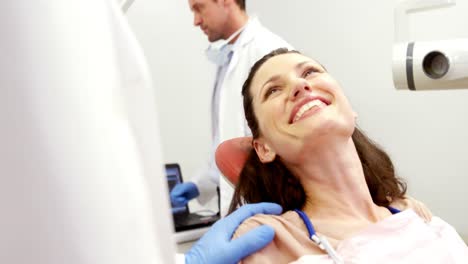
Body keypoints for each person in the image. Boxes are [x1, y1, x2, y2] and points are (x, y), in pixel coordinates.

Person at [227, 48, 468, 263]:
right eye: (273, 90)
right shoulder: (270, 240)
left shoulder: (424, 223)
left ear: (350, 111)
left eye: (310, 72)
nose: (300, 86)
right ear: (263, 148)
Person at [170, 0, 292, 216]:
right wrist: (201, 184)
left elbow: (290, 138)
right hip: (244, 206)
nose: (196, 21)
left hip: (271, 205)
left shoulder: (268, 50)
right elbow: (228, 140)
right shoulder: (228, 60)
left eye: (199, 8)